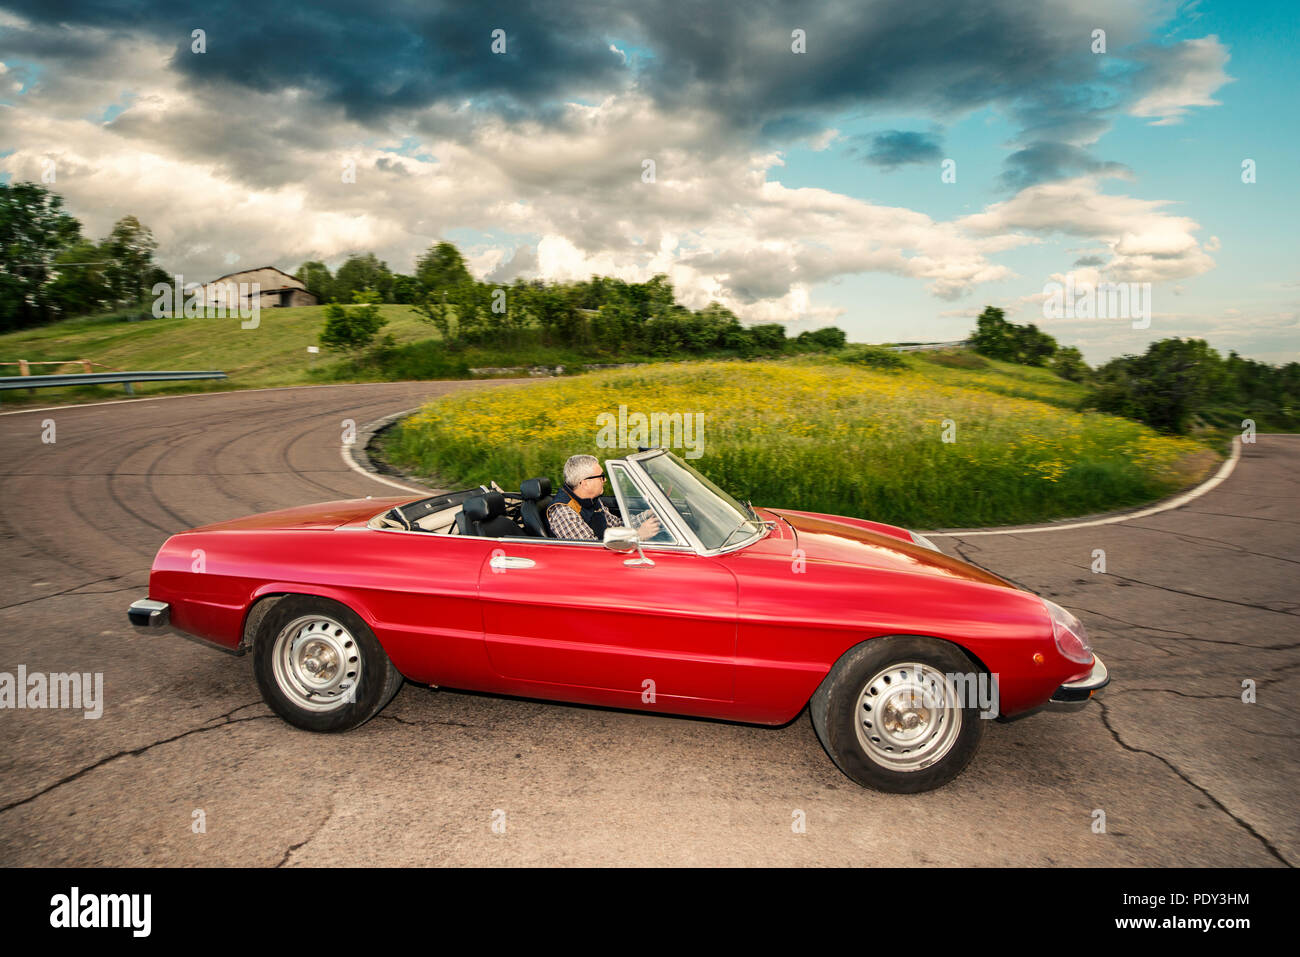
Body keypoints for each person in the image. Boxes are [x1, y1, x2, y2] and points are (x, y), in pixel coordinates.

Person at [547, 454, 660, 542]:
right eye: (601, 477)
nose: (605, 480)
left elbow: (617, 525)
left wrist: (648, 514)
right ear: (585, 483)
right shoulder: (564, 513)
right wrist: (638, 536)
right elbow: (592, 551)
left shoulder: (592, 500)